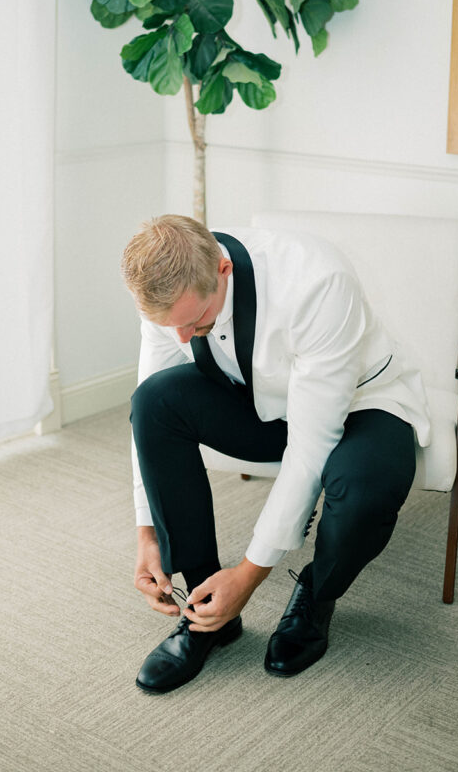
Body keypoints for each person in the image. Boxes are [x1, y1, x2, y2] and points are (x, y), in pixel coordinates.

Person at [121, 214, 430, 695]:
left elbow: (311, 445)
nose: (182, 339)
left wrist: (249, 575)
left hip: (362, 404)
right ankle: (208, 613)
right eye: (170, 327)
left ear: (222, 271)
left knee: (365, 493)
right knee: (154, 403)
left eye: (194, 323)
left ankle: (316, 595)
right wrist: (146, 533)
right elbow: (146, 404)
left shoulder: (317, 284)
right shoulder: (167, 292)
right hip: (260, 400)